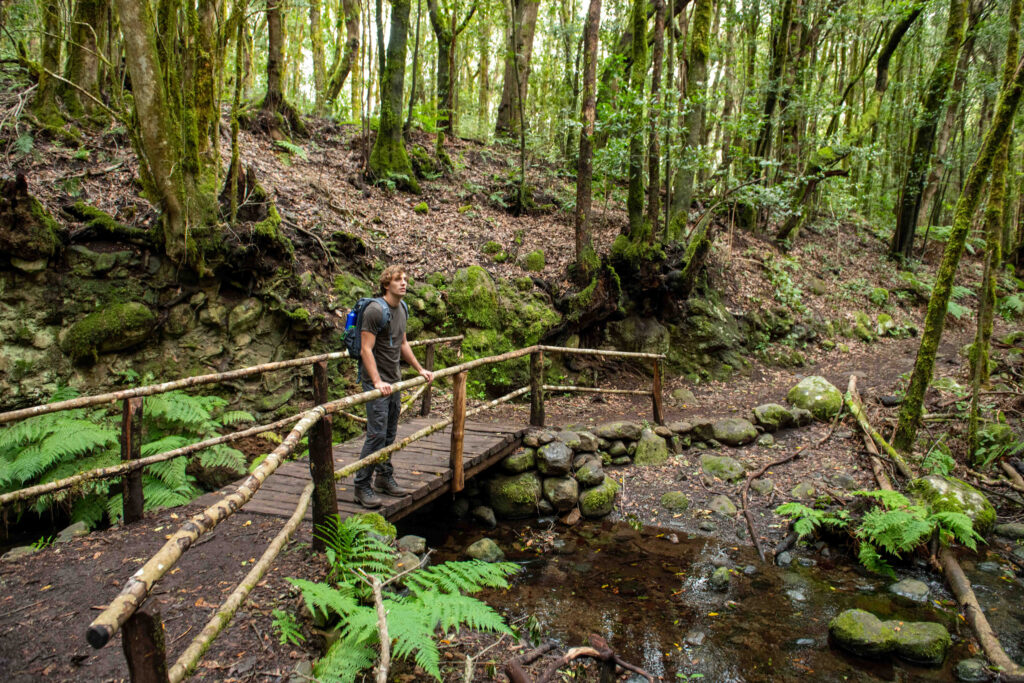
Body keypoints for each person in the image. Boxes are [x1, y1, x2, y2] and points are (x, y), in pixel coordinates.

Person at [354, 265, 434, 508]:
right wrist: (377, 381)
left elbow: (403, 344)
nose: (404, 283)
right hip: (377, 382)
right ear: (386, 284)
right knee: (376, 434)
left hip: (395, 380)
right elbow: (365, 349)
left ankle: (384, 477)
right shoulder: (376, 310)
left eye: (405, 279)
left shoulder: (403, 309)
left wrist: (420, 368)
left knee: (389, 433)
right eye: (398, 279)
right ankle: (361, 485)